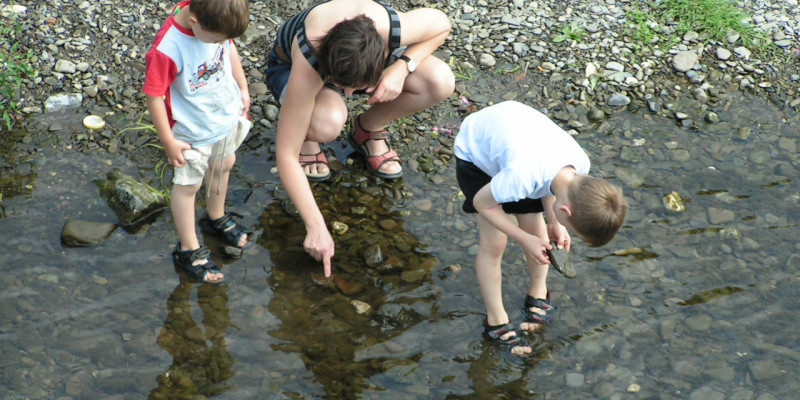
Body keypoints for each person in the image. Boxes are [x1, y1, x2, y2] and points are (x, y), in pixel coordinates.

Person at [265, 0, 455, 277]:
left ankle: (368, 127)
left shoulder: (391, 27)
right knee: (326, 123)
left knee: (439, 80)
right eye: (347, 88)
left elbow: (442, 25)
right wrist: (316, 226)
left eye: (359, 89)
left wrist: (401, 67)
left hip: (361, 58)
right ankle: (310, 134)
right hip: (289, 69)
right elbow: (285, 154)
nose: (353, 95)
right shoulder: (310, 57)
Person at [453, 101, 627, 355]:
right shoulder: (523, 176)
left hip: (520, 145)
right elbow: (482, 203)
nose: (570, 234)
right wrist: (523, 238)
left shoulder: (580, 168)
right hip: (477, 155)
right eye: (572, 228)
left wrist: (555, 223)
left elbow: (551, 188)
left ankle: (537, 289)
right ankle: (495, 319)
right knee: (495, 242)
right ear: (567, 210)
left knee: (538, 229)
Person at [143, 0, 252, 284]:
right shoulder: (167, 48)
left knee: (225, 163)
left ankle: (215, 216)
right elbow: (154, 96)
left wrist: (242, 87)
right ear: (194, 21)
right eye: (215, 38)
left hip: (222, 114)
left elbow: (228, 49)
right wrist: (168, 140)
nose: (221, 42)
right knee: (189, 185)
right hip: (191, 130)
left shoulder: (217, 26)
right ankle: (188, 247)